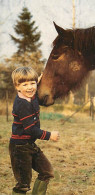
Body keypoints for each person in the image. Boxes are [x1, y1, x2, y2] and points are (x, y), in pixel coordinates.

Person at [9, 67, 60, 195]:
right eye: (25, 84)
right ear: (17, 87)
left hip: (30, 145)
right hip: (19, 147)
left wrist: (39, 80)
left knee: (47, 172)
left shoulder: (31, 96)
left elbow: (34, 92)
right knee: (23, 184)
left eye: (32, 83)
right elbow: (31, 129)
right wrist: (49, 136)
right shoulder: (22, 104)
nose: (30, 87)